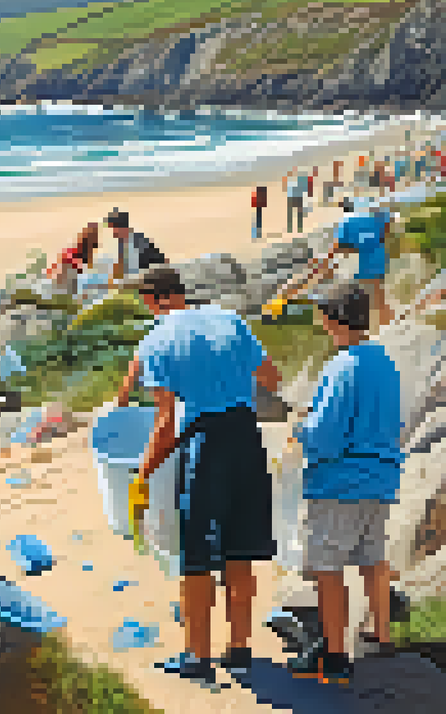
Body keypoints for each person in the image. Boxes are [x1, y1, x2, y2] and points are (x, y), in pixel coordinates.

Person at [114, 267, 282, 686]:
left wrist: (142, 473)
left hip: (204, 448)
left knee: (197, 556)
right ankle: (240, 649)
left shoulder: (157, 340)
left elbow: (165, 424)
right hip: (247, 439)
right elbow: (271, 378)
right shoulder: (229, 319)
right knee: (241, 549)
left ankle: (197, 655)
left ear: (153, 301)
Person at [285, 282, 403, 685]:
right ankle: (380, 634)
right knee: (373, 556)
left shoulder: (342, 365)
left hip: (341, 482)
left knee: (328, 566)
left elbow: (328, 436)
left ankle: (335, 653)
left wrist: (300, 431)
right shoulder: (383, 360)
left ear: (332, 319)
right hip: (381, 477)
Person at [303, 199, 397, 328]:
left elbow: (338, 248)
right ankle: (388, 323)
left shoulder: (346, 223)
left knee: (368, 299)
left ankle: (380, 325)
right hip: (378, 259)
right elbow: (387, 224)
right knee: (378, 296)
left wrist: (324, 263)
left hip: (364, 265)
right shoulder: (374, 217)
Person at [104, 208, 168, 284]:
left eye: (114, 228)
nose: (113, 232)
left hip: (149, 281)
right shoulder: (122, 243)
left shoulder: (138, 241)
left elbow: (159, 262)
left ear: (122, 228)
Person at [46, 222, 102, 295]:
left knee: (67, 288)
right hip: (71, 265)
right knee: (68, 288)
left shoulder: (85, 243)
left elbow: (86, 261)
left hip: (71, 265)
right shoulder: (85, 244)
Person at [286, 168, 308, 234]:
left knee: (296, 214)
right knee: (295, 214)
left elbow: (304, 188)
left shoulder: (298, 179)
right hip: (295, 197)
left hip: (296, 197)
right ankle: (295, 228)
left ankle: (296, 228)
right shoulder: (298, 179)